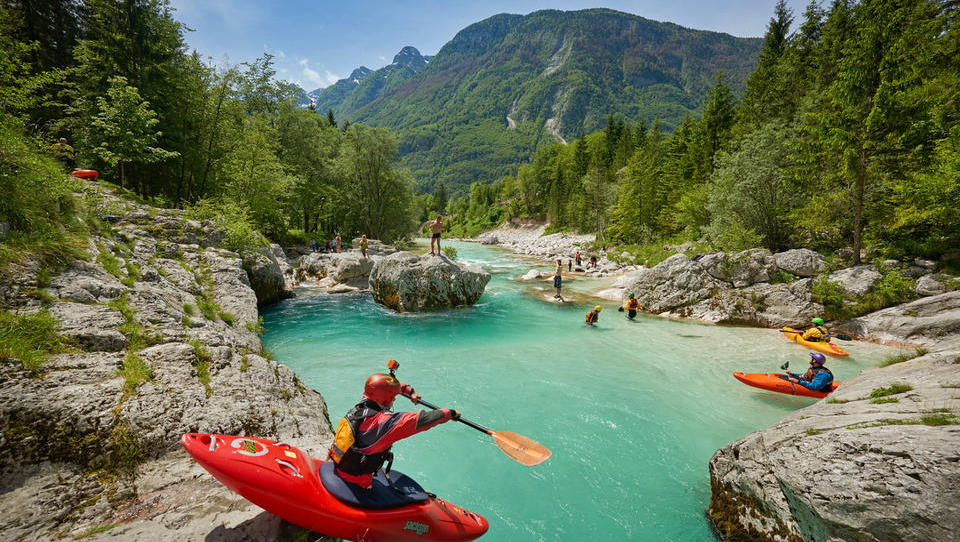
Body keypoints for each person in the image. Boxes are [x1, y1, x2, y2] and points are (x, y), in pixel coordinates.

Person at [328, 373, 460, 489]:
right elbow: (423, 420)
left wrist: (410, 392)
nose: (395, 398)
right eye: (394, 396)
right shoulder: (385, 423)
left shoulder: (364, 404)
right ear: (386, 398)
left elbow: (387, 385)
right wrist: (451, 413)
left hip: (340, 465)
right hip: (358, 480)